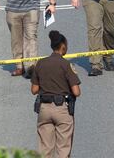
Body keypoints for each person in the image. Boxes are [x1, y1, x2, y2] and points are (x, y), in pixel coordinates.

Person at [32, 30, 81, 158]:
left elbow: (34, 90)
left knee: (45, 148)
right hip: (62, 110)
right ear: (63, 47)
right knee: (63, 148)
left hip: (44, 109)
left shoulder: (40, 63)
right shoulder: (66, 64)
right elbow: (76, 91)